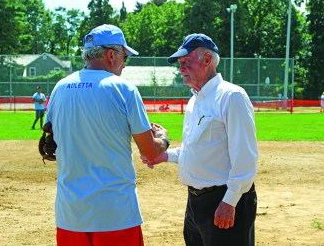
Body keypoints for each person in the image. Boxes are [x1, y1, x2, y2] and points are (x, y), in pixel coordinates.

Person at [44, 24, 170, 246]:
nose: (124, 63)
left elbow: (49, 145)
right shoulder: (123, 88)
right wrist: (163, 138)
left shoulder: (60, 87)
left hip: (70, 214)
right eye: (124, 56)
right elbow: (150, 151)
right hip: (116, 214)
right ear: (112, 55)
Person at [142, 34, 258, 246]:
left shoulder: (232, 96)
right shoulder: (195, 100)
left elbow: (245, 157)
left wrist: (229, 201)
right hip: (195, 203)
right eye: (180, 63)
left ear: (207, 60)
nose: (181, 68)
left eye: (186, 61)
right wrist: (165, 156)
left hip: (223, 201)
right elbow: (194, 149)